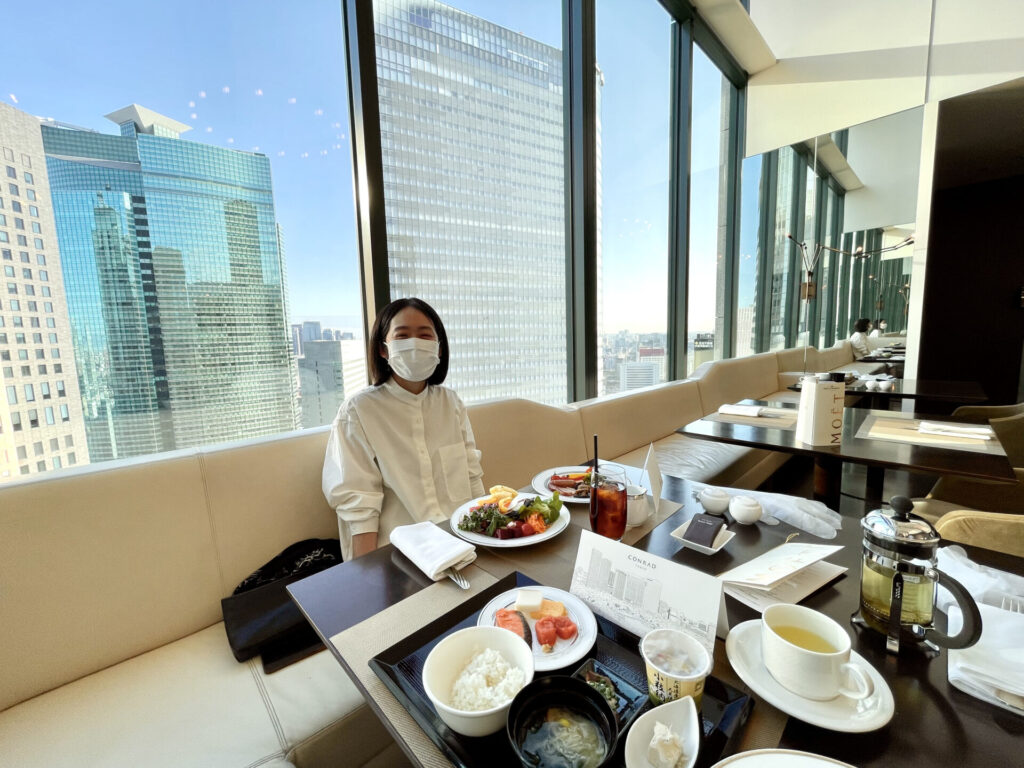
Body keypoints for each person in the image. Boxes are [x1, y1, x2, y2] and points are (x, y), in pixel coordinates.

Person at [322, 298, 485, 560]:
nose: (415, 343)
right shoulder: (358, 411)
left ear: (439, 348)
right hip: (400, 557)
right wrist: (368, 580)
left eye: (424, 335)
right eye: (402, 335)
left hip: (461, 544)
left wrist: (487, 541)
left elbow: (472, 477)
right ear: (384, 350)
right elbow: (359, 506)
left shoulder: (451, 403)